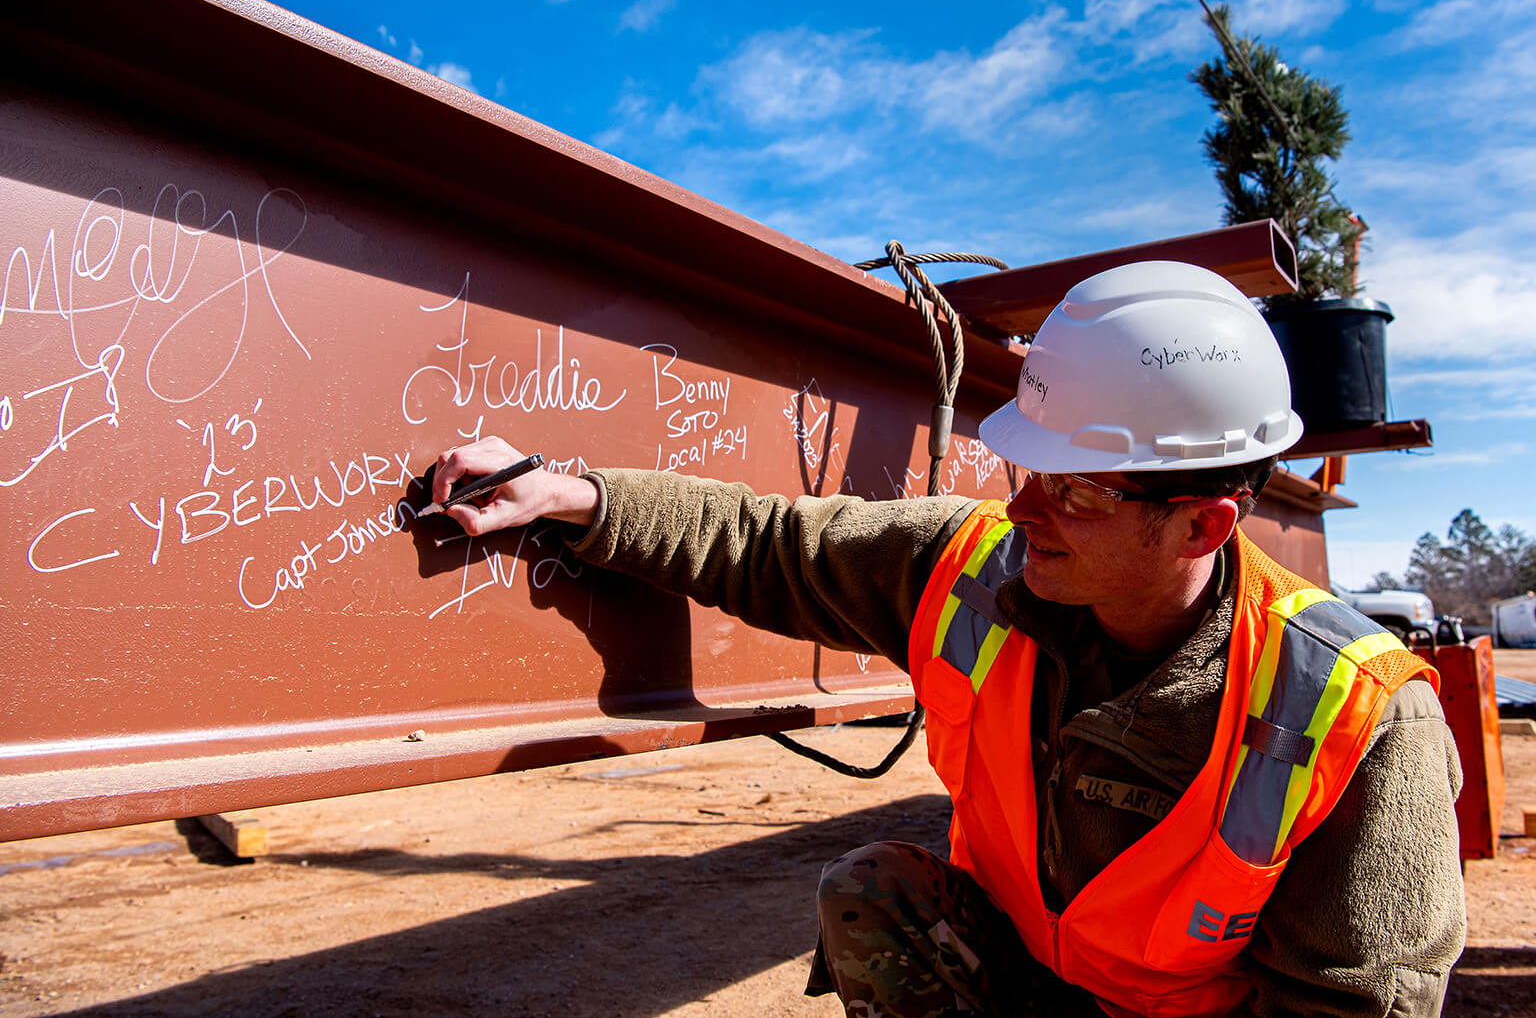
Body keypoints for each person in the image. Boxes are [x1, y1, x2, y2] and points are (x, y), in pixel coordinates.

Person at [431, 261, 1465, 1018]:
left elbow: (1351, 1009)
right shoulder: (975, 568)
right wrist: (574, 493)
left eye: (1078, 490)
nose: (1024, 510)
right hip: (1032, 982)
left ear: (1201, 523)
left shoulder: (1360, 714)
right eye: (1026, 469)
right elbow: (768, 543)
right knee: (876, 889)